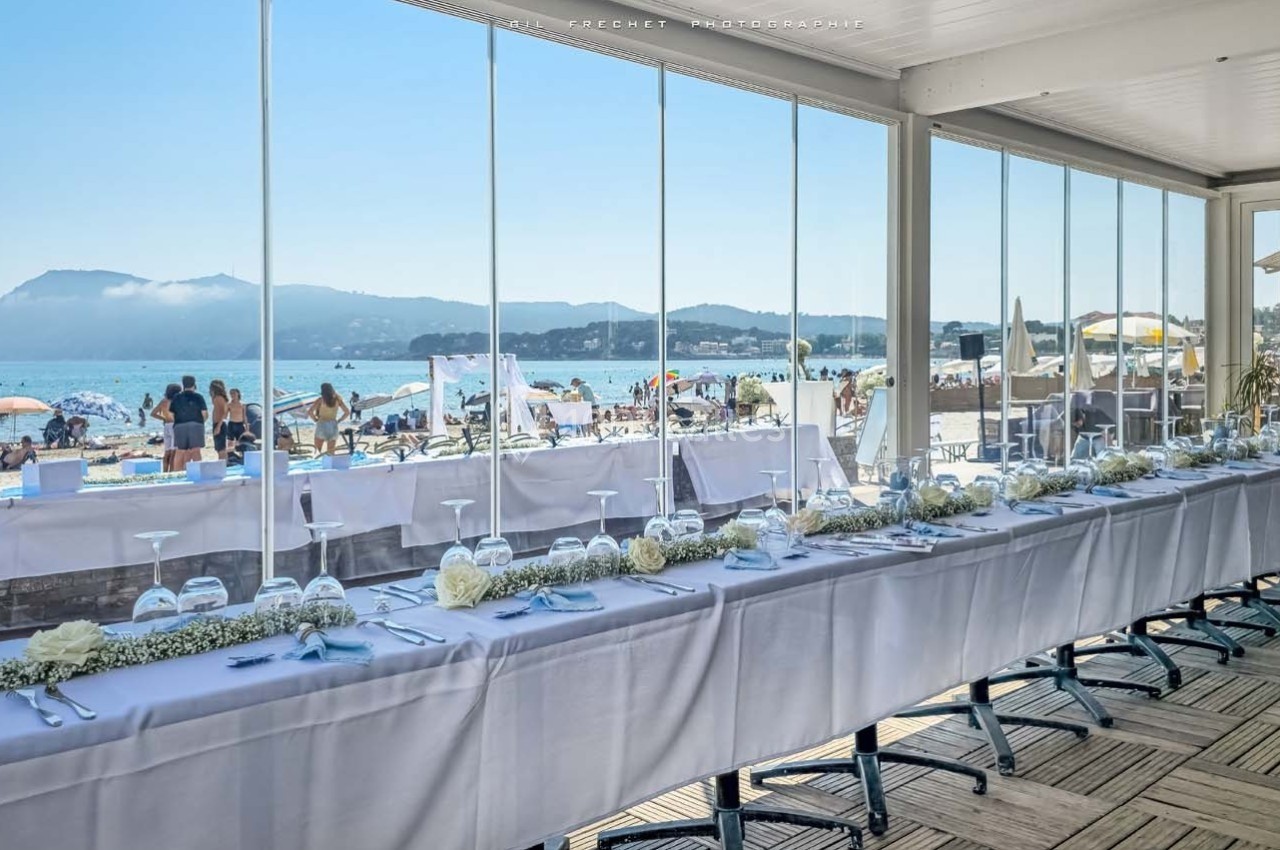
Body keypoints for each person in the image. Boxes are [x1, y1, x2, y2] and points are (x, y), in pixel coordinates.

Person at [170, 375, 208, 472]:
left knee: (180, 451)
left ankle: (177, 473)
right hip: (196, 424)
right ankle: (198, 473)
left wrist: (177, 421)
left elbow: (171, 414)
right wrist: (201, 422)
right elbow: (204, 413)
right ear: (194, 384)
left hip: (180, 425)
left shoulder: (177, 397)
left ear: (183, 384)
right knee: (196, 450)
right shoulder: (198, 397)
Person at [307, 382, 350, 454]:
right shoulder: (337, 399)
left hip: (322, 424)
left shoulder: (320, 400)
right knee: (331, 451)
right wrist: (339, 420)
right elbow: (347, 412)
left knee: (317, 451)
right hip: (333, 424)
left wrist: (315, 419)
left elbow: (310, 412)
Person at [151, 383, 180, 472]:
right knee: (173, 452)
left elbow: (153, 413)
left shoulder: (163, 401)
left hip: (166, 425)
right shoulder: (176, 402)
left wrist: (163, 418)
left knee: (167, 452)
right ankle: (171, 471)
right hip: (174, 426)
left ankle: (164, 471)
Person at [209, 380, 230, 460]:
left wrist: (218, 426)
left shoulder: (219, 398)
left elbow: (223, 412)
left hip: (219, 424)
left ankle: (223, 464)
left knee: (221, 449)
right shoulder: (218, 398)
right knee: (219, 448)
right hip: (218, 423)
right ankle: (223, 463)